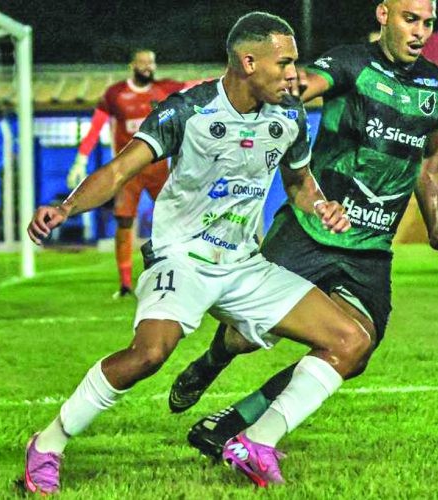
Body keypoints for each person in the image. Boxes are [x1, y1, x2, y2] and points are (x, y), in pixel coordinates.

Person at [22, 12, 371, 494]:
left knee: (350, 342)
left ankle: (256, 443)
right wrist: (64, 209)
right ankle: (48, 443)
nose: (295, 75)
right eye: (285, 63)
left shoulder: (289, 115)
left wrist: (322, 205)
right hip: (181, 259)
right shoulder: (187, 110)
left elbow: (298, 183)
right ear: (249, 61)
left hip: (245, 266)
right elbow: (121, 170)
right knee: (150, 353)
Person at [169, 0, 438, 459]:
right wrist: (278, 92)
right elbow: (304, 86)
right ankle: (212, 362)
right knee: (246, 336)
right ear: (383, 15)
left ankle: (232, 426)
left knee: (354, 349)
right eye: (411, 19)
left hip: (370, 247)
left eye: (428, 23)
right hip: (310, 230)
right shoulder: (350, 63)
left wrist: (436, 226)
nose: (420, 32)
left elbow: (430, 157)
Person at [66, 49, 185, 298]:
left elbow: (201, 89)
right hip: (127, 170)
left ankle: (181, 272)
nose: (147, 67)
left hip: (158, 167)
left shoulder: (166, 89)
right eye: (142, 62)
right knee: (123, 222)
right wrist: (81, 159)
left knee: (176, 219)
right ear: (133, 65)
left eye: (151, 62)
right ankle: (124, 284)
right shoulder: (115, 94)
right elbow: (96, 126)